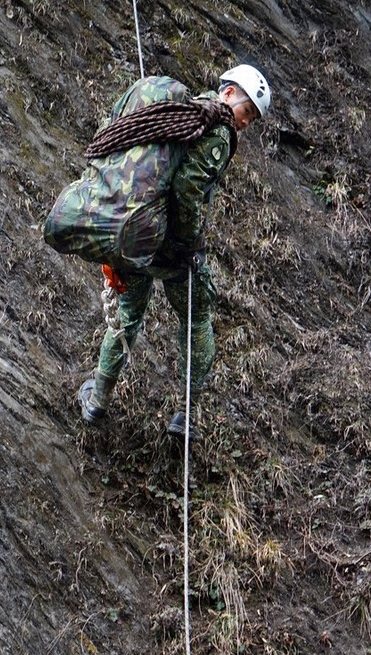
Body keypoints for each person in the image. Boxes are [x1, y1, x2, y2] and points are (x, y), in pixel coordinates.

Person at [43, 64, 270, 436]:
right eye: (248, 112)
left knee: (128, 312)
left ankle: (98, 399)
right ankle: (186, 414)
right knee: (196, 317)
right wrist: (188, 247)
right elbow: (188, 191)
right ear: (228, 94)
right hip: (171, 252)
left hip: (135, 238)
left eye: (252, 119)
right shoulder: (218, 130)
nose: (246, 123)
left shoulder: (168, 110)